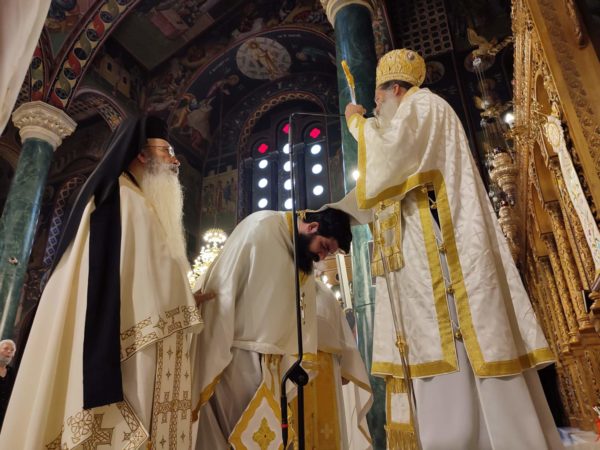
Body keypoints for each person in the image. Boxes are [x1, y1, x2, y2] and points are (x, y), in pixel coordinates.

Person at [344, 49, 563, 449]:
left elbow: (392, 154)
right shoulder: (422, 111)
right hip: (436, 246)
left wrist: (357, 124)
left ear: (396, 89)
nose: (377, 109)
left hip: (445, 254)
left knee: (460, 346)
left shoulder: (423, 106)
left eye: (378, 100)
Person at [0, 116, 213, 449]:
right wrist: (185, 304)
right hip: (127, 349)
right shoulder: (128, 202)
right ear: (141, 154)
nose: (175, 162)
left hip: (122, 337)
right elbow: (147, 292)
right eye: (167, 152)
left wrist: (184, 299)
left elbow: (141, 279)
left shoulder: (122, 198)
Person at [191, 206, 353, 449]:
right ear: (313, 227)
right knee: (229, 438)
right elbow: (221, 289)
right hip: (236, 359)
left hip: (274, 367)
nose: (321, 257)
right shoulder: (261, 226)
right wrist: (215, 351)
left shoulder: (302, 258)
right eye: (324, 247)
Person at [292, 280, 372, 450]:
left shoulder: (323, 294)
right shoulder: (325, 295)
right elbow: (347, 372)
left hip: (312, 374)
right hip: (306, 374)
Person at [0, 339, 16, 430]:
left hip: (4, 418)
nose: (9, 351)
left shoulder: (12, 373)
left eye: (12, 350)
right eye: (6, 348)